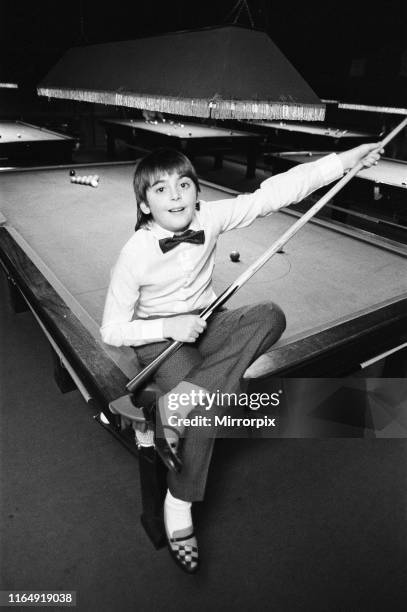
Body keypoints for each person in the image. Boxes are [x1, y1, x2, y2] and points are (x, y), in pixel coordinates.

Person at [101, 143, 382, 573]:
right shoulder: (134, 254)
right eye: (161, 189)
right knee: (207, 409)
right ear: (144, 203)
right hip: (161, 341)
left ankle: (169, 409)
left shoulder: (209, 218)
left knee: (269, 315)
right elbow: (112, 330)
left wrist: (346, 161)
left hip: (210, 321)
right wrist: (167, 327)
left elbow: (274, 192)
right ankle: (178, 504)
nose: (175, 195)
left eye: (184, 185)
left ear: (197, 193)